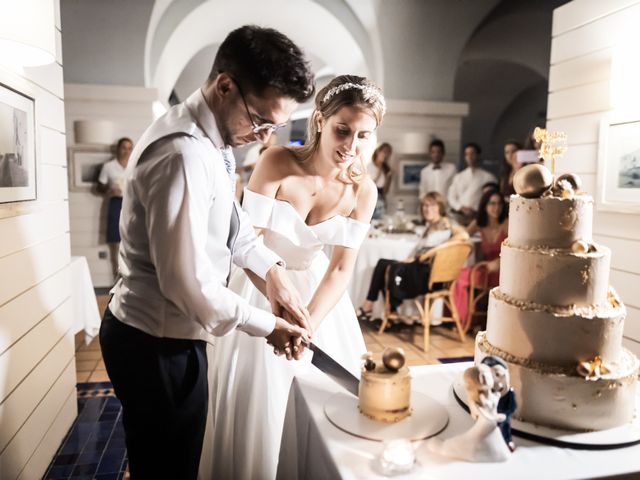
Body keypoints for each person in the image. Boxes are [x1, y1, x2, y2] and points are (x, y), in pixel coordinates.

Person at [99, 25, 315, 480]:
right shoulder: (182, 154)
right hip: (154, 344)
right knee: (167, 470)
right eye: (260, 120)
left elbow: (233, 231)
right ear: (225, 86)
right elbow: (187, 284)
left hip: (174, 337)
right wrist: (266, 326)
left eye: (274, 127)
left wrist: (275, 277)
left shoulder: (215, 139)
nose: (262, 137)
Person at [201, 75, 385, 480]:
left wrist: (308, 326)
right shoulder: (277, 161)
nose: (351, 147)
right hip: (259, 285)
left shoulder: (363, 192)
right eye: (343, 130)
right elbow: (247, 242)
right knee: (259, 400)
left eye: (364, 136)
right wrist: (277, 306)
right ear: (320, 120)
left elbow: (340, 269)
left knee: (320, 403)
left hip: (316, 299)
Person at [357, 191, 468, 319]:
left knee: (391, 268)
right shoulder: (430, 226)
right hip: (419, 267)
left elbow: (464, 236)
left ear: (440, 207)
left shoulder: (447, 223)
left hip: (430, 274)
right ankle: (373, 306)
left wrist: (440, 247)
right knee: (382, 264)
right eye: (425, 206)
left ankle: (381, 309)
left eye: (432, 205)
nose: (427, 209)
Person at [453, 188, 508, 330]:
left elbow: (515, 250)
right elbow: (464, 234)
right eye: (492, 204)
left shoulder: (507, 223)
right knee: (457, 276)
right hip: (486, 269)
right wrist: (454, 233)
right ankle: (462, 321)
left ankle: (466, 322)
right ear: (485, 206)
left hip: (504, 271)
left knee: (463, 277)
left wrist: (500, 262)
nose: (496, 208)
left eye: (499, 204)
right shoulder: (479, 223)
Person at [97, 137, 133, 277]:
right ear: (118, 149)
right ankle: (118, 279)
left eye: (130, 148)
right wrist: (109, 190)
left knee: (133, 243)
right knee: (117, 245)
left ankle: (132, 280)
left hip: (132, 205)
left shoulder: (135, 165)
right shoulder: (109, 167)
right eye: (124, 147)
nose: (127, 151)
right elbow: (100, 186)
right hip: (116, 204)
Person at [447, 142, 497, 225]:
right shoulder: (458, 177)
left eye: (472, 153)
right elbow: (451, 196)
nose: (469, 157)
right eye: (467, 154)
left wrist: (477, 210)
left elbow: (493, 199)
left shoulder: (489, 177)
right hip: (459, 216)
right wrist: (461, 208)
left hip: (479, 217)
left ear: (478, 155)